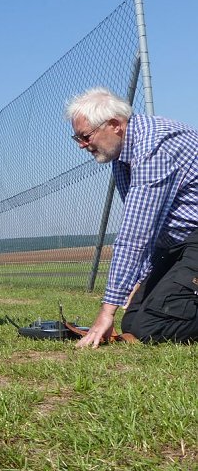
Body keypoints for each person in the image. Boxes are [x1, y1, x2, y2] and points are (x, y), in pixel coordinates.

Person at [66, 87, 198, 347]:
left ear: (114, 125)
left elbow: (135, 234)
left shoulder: (154, 148)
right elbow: (154, 230)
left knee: (153, 324)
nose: (82, 145)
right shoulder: (122, 156)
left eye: (85, 136)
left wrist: (107, 310)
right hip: (178, 244)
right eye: (77, 138)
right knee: (134, 321)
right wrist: (139, 281)